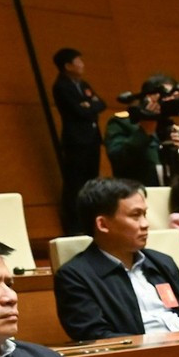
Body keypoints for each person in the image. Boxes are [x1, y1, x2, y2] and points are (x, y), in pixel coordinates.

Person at [56, 178, 179, 342]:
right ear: (102, 224)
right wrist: (164, 342)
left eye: (145, 214)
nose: (146, 224)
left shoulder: (162, 263)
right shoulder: (75, 276)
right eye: (135, 215)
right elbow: (95, 337)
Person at [52, 48, 104, 231]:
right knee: (75, 184)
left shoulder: (83, 84)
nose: (82, 65)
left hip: (93, 139)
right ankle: (73, 226)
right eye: (78, 61)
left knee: (91, 182)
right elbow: (80, 111)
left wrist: (89, 105)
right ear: (67, 66)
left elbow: (101, 103)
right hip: (76, 141)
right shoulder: (61, 86)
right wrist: (89, 106)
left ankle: (89, 221)